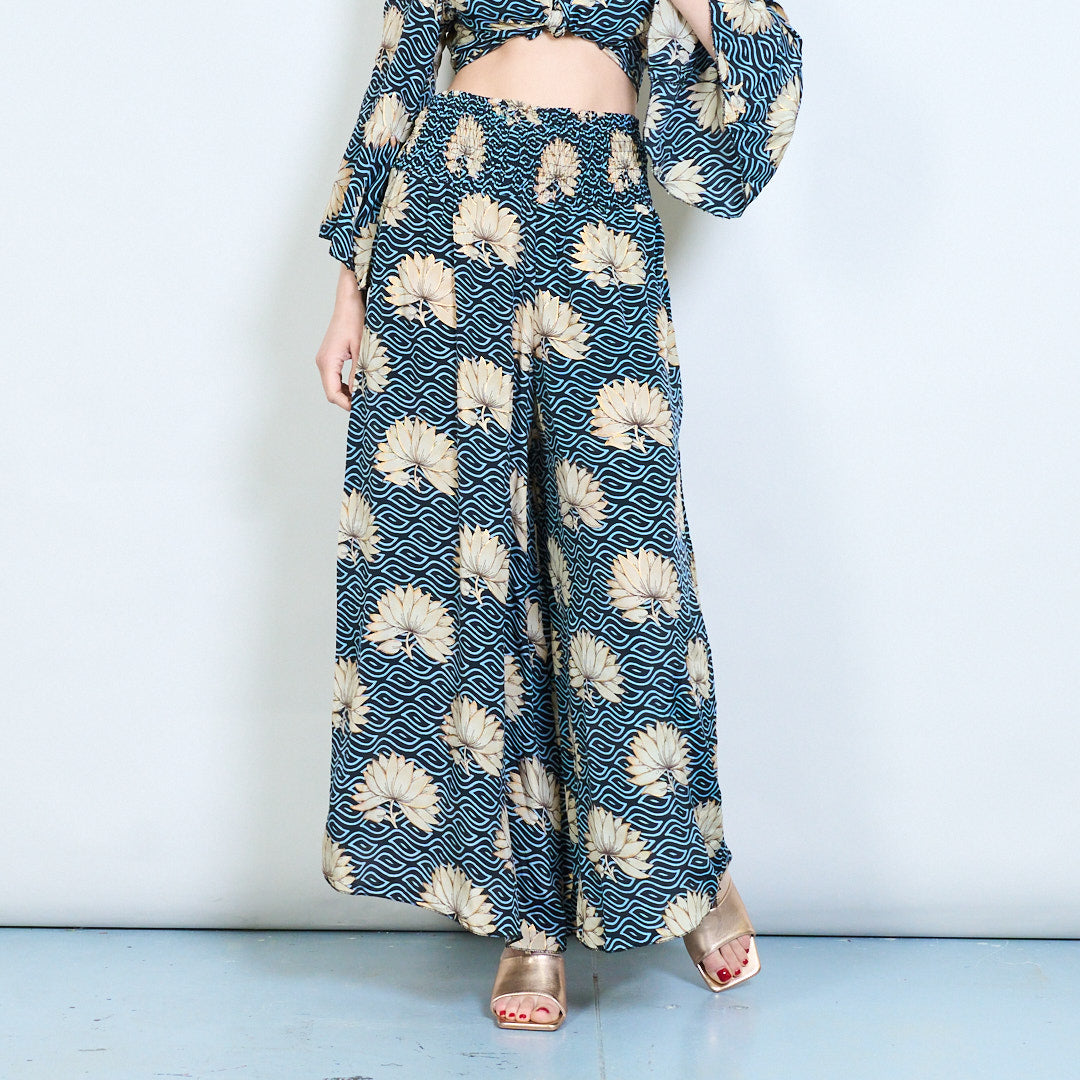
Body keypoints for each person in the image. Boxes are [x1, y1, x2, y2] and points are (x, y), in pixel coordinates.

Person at [313, 0, 803, 1031]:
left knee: (629, 571)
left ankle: (692, 872)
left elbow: (764, 61)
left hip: (601, 210)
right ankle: (527, 926)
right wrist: (350, 291)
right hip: (450, 214)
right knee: (477, 568)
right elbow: (398, 77)